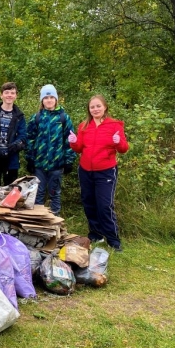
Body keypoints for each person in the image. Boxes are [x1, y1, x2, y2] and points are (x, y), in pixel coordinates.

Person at [69, 94, 129, 251]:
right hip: (85, 171)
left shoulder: (115, 125)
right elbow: (79, 148)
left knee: (104, 205)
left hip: (106, 171)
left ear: (105, 107)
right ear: (89, 110)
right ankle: (95, 234)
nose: (95, 109)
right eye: (92, 107)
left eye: (98, 106)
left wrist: (119, 142)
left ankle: (113, 240)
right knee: (89, 203)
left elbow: (123, 149)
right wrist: (73, 142)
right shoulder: (84, 126)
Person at [25, 84, 77, 216]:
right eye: (46, 97)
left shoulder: (64, 118)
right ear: (42, 100)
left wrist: (69, 160)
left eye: (51, 97)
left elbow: (69, 140)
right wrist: (30, 159)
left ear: (56, 99)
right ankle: (38, 221)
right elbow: (30, 139)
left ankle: (55, 223)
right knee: (38, 193)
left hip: (57, 164)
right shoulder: (36, 118)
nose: (49, 100)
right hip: (39, 164)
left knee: (55, 194)